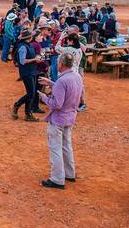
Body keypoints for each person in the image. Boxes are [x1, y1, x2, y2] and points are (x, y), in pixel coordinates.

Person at [37, 52, 83, 189]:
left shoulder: (62, 81)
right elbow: (66, 90)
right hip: (70, 116)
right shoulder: (77, 76)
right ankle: (70, 173)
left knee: (55, 148)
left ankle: (57, 179)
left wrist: (44, 97)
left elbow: (56, 104)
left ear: (61, 64)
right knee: (66, 146)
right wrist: (52, 84)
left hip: (59, 119)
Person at [13, 30, 43, 122]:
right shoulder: (23, 47)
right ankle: (18, 105)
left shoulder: (29, 45)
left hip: (32, 71)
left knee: (31, 93)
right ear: (29, 37)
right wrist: (34, 59)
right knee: (31, 93)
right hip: (26, 72)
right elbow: (22, 61)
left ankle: (28, 113)